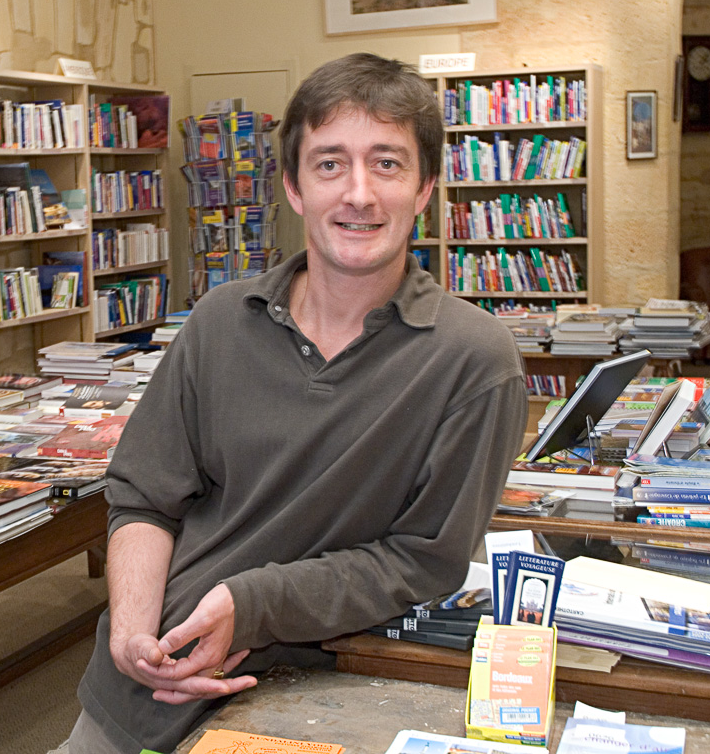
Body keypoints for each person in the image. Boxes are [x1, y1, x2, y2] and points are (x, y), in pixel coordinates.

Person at [66, 54, 526, 753]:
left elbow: (422, 559)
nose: (359, 194)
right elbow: (142, 498)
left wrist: (250, 604)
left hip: (294, 695)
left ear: (426, 187)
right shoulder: (217, 323)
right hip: (134, 687)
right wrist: (132, 630)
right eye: (330, 163)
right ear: (292, 186)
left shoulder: (473, 362)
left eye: (388, 163)